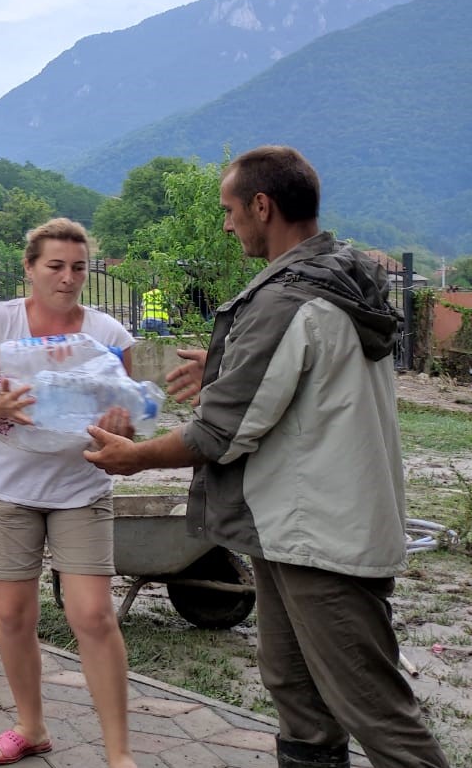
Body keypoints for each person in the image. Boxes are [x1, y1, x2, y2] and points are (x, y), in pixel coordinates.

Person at [86, 147, 448, 768]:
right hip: (289, 530)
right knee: (296, 692)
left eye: (230, 210)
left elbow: (219, 433)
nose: (227, 225)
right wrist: (225, 368)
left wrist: (136, 457)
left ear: (262, 205)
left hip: (323, 536)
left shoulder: (289, 300)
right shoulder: (337, 275)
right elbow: (300, 387)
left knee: (375, 709)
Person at [0, 218, 136, 768]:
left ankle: (118, 754)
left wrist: (121, 426)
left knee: (94, 617)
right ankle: (31, 727)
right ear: (30, 268)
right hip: (7, 487)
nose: (67, 277)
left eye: (78, 267)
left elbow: (129, 425)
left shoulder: (109, 335)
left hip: (80, 487)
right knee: (12, 616)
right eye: (55, 266)